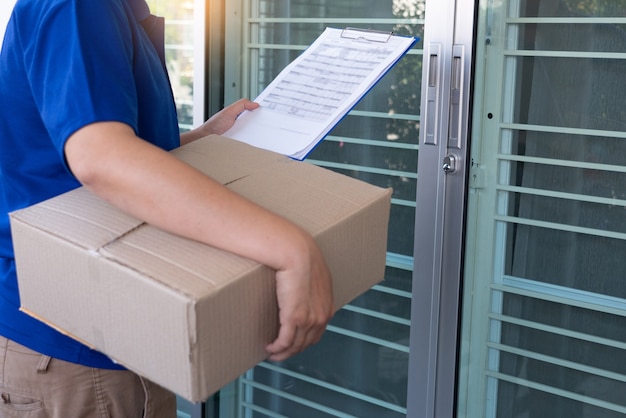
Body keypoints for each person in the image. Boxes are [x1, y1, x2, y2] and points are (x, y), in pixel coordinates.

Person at [0, 0, 334, 416]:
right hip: (71, 341)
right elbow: (102, 161)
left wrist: (205, 138)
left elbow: (95, 150)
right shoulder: (79, 6)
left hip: (108, 324)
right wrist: (292, 248)